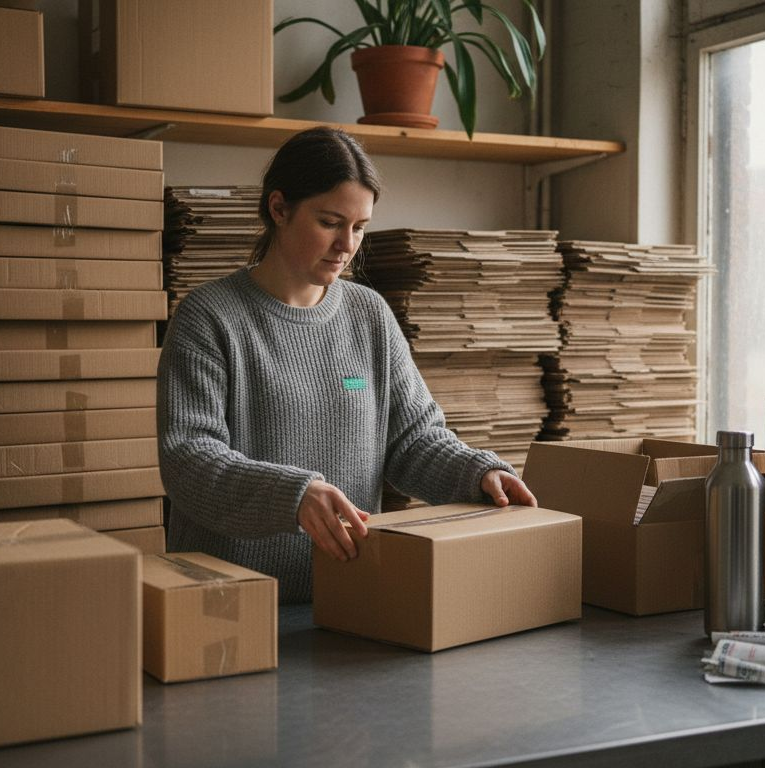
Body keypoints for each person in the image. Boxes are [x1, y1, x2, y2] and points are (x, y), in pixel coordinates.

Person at [158, 126, 537, 603]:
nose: (347, 244)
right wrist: (294, 496)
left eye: (359, 227)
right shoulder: (208, 317)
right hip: (229, 606)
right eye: (330, 222)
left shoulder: (368, 314)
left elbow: (413, 441)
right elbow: (188, 460)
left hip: (347, 599)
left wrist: (477, 474)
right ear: (279, 208)